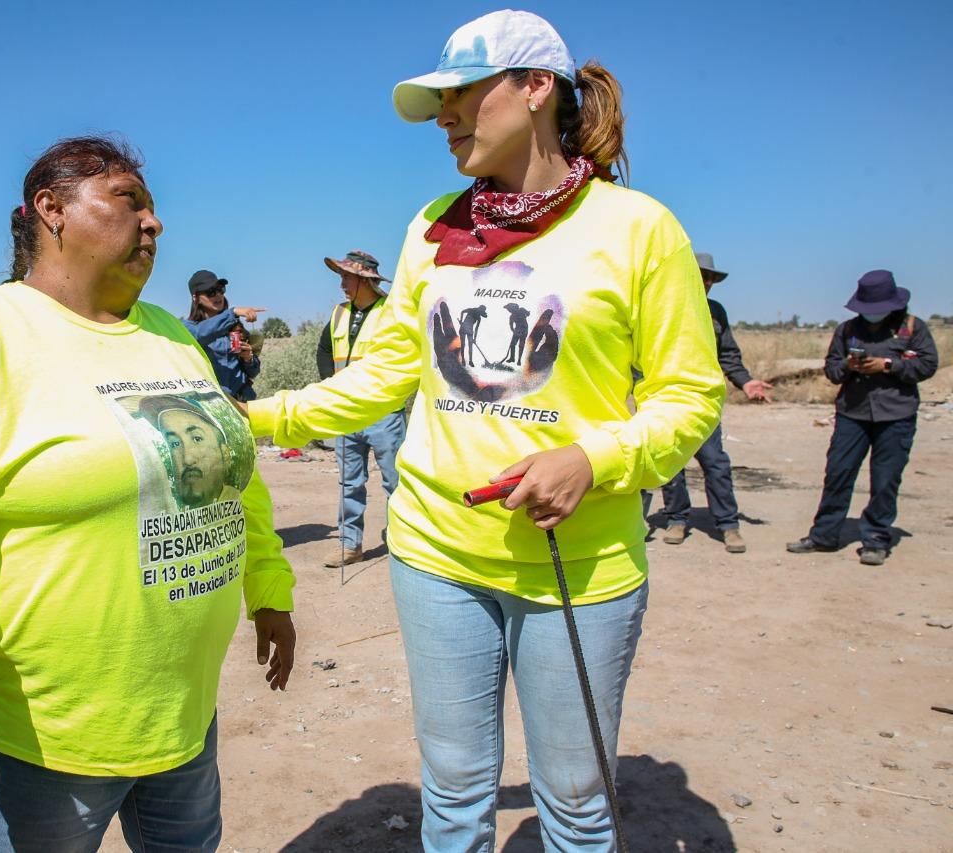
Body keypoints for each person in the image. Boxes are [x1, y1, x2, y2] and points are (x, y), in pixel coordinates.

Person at [248, 11, 724, 851]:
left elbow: (689, 396)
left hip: (580, 565)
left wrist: (596, 455)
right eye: (440, 101)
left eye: (462, 92)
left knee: (577, 806)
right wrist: (252, 414)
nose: (445, 116)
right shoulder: (431, 227)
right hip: (435, 558)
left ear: (536, 86)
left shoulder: (639, 228)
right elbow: (381, 376)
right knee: (456, 795)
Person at [0, 136, 297, 852]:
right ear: (50, 209)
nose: (154, 223)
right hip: (52, 742)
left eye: (155, 210)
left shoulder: (173, 340)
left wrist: (268, 586)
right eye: (129, 201)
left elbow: (230, 472)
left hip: (183, 717)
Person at [787, 270, 938, 565]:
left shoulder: (912, 328)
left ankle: (876, 540)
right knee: (838, 474)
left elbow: (928, 365)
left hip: (896, 415)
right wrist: (849, 365)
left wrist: (888, 365)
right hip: (852, 413)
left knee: (885, 480)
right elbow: (831, 371)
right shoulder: (847, 330)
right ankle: (824, 536)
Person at [656, 252, 773, 553]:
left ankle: (728, 525)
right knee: (672, 465)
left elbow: (729, 355)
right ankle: (677, 519)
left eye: (709, 277)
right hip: (666, 401)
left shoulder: (715, 312)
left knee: (715, 463)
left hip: (702, 401)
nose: (705, 282)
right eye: (699, 275)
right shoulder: (662, 307)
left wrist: (746, 382)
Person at [314, 249, 407, 567]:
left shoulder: (391, 313)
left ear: (364, 280)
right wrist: (333, 388)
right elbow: (325, 351)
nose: (341, 284)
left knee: (395, 480)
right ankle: (350, 545)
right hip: (347, 413)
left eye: (346, 277)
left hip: (384, 414)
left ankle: (403, 541)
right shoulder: (339, 313)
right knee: (349, 482)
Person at [182, 269, 265, 401]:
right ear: (195, 297)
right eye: (211, 292)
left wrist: (248, 358)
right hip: (214, 404)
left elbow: (253, 372)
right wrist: (234, 312)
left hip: (244, 401)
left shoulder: (235, 327)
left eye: (220, 289)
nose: (218, 295)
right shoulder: (188, 328)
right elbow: (199, 335)